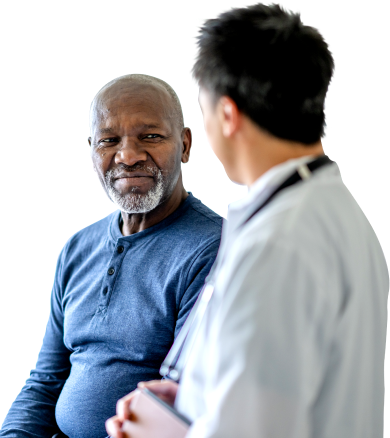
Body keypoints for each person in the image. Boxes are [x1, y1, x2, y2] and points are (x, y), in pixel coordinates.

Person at [106, 3, 389, 438]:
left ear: (227, 114)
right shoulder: (343, 212)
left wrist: (158, 433)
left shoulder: (279, 243)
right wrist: (193, 399)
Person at [0, 74, 223, 438]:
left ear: (184, 145)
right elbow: (45, 381)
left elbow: (181, 403)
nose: (128, 156)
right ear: (92, 150)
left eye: (150, 136)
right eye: (109, 140)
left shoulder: (213, 249)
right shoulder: (77, 248)